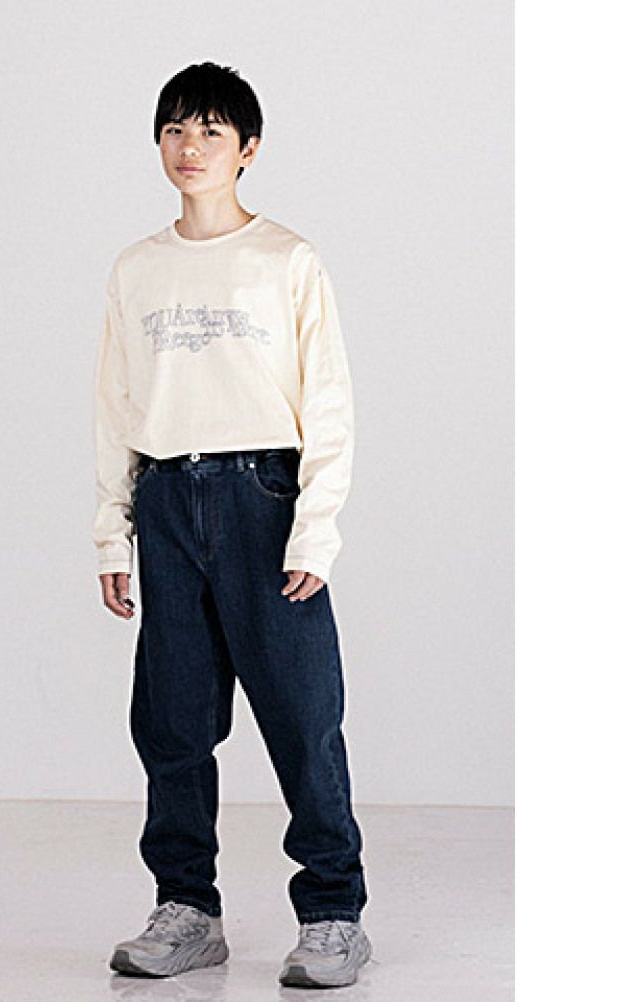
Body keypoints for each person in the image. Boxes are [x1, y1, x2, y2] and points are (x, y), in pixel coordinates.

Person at [91, 61, 371, 988]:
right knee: (172, 720)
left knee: (302, 715)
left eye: (211, 130)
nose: (191, 147)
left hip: (263, 496)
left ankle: (332, 913)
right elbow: (115, 406)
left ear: (248, 149)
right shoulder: (137, 268)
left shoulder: (286, 260)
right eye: (175, 128)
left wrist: (315, 529)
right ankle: (187, 908)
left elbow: (327, 403)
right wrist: (112, 531)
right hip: (167, 498)